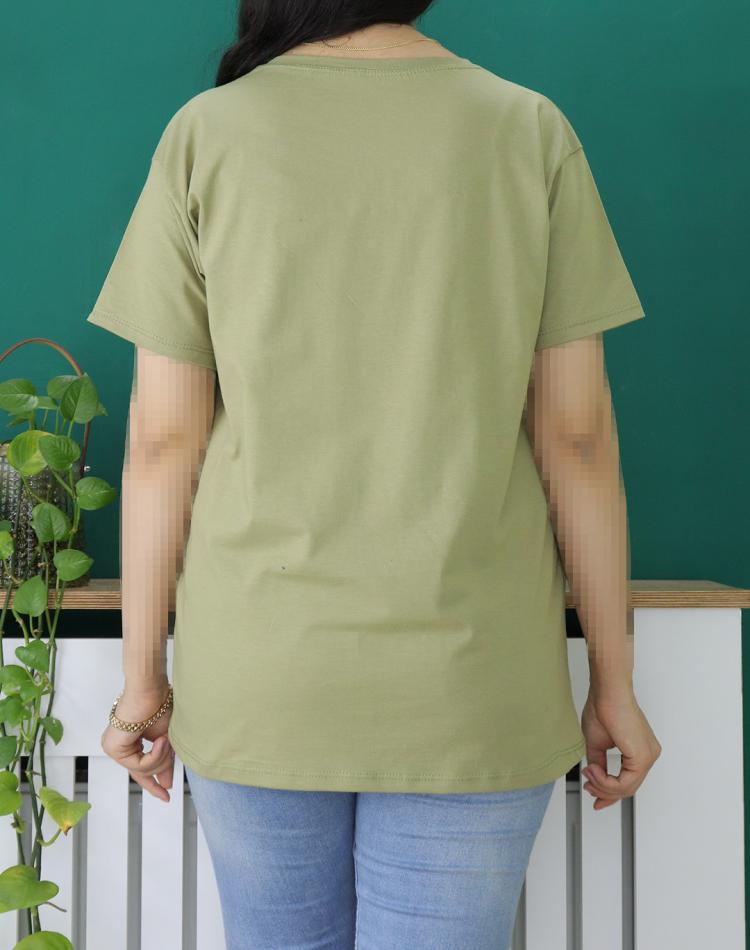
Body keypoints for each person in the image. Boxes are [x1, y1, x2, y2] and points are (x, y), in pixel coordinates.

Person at [93, 4, 661, 948]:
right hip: (473, 682)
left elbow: (161, 440)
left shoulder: (208, 132)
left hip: (262, 673)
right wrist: (614, 680)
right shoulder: (526, 128)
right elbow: (578, 439)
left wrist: (140, 680)